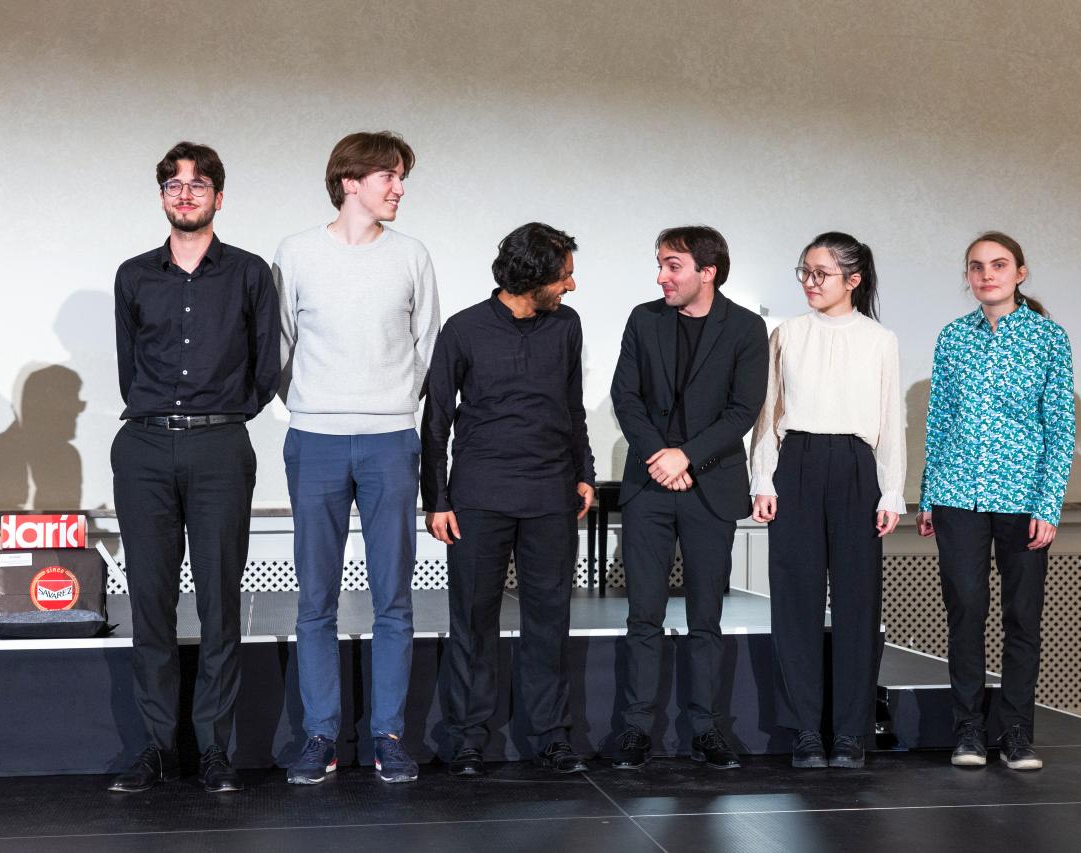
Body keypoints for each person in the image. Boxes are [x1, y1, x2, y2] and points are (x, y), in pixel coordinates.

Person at [109, 142, 279, 793]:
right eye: (174, 185)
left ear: (219, 197)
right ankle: (158, 747)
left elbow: (266, 366)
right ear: (161, 197)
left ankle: (213, 749)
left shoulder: (249, 273)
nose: (185, 195)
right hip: (145, 448)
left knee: (218, 601)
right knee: (150, 603)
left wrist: (222, 415)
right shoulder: (133, 275)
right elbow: (129, 367)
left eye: (198, 185)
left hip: (219, 447)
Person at [275, 131, 440, 785]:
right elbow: (279, 348)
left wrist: (390, 407)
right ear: (350, 181)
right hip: (314, 439)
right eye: (388, 176)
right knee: (314, 598)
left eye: (401, 178)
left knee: (393, 598)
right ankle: (320, 734)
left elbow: (427, 349)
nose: (399, 188)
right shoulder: (296, 253)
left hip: (390, 439)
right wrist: (313, 407)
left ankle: (387, 735)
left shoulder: (412, 256)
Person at [422, 222, 596, 776]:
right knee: (473, 622)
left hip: (550, 493)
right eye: (564, 276)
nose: (571, 285)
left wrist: (585, 472)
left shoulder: (566, 325)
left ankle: (551, 736)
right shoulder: (463, 329)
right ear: (533, 276)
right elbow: (436, 420)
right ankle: (467, 739)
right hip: (479, 495)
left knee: (550, 620)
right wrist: (437, 499)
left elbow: (573, 406)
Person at [609, 225, 769, 770]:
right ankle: (636, 728)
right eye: (660, 264)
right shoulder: (643, 319)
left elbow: (743, 410)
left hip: (711, 486)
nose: (662, 276)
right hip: (649, 484)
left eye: (672, 265)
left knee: (706, 617)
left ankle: (706, 727)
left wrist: (686, 457)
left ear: (708, 271)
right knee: (643, 614)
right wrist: (661, 456)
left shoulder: (745, 328)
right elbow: (625, 397)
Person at [917, 231, 1074, 771]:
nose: (987, 274)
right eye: (977, 266)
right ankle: (968, 729)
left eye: (999, 265)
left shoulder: (1048, 337)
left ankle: (1016, 733)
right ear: (968, 276)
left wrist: (1048, 506)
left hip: (1023, 499)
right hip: (957, 494)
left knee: (1022, 617)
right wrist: (929, 495)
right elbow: (939, 420)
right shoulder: (952, 337)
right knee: (966, 609)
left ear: (1020, 273)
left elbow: (1059, 427)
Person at [749, 232, 905, 769]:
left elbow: (891, 420)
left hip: (857, 466)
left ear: (853, 280)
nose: (810, 282)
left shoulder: (879, 339)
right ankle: (805, 730)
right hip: (796, 461)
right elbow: (768, 412)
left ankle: (850, 731)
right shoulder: (787, 334)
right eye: (805, 272)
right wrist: (763, 479)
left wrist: (891, 490)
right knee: (796, 600)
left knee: (858, 601)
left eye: (821, 273)